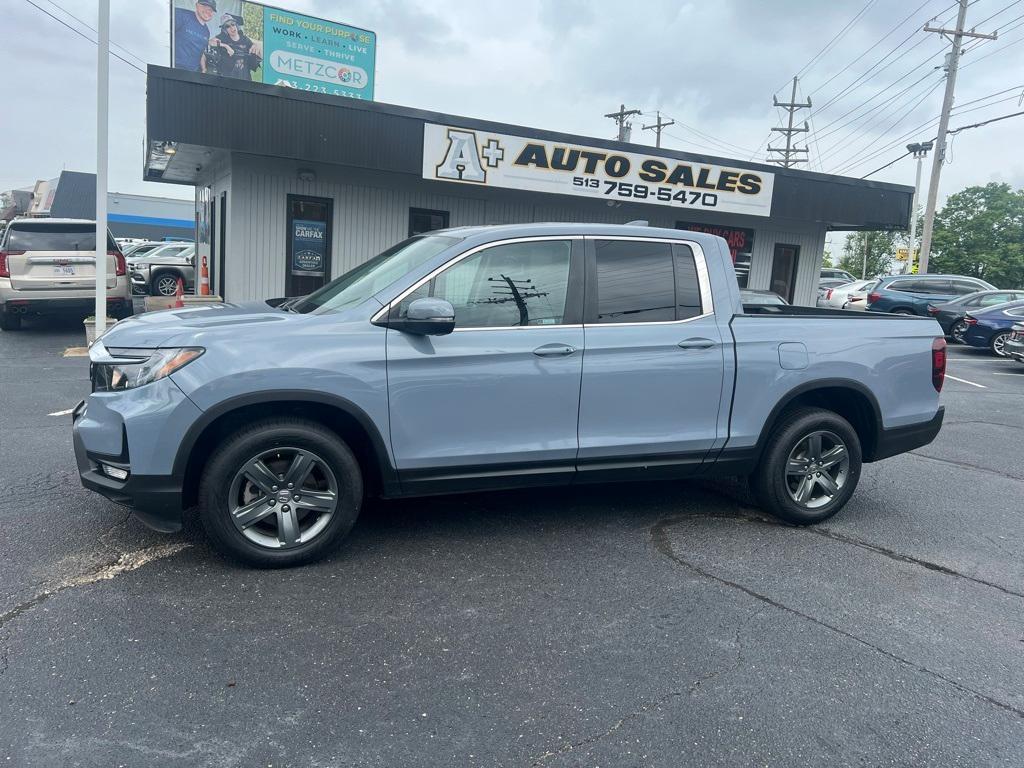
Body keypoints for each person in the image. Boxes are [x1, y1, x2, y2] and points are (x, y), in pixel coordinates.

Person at [206, 13, 263, 80]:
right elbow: (209, 42)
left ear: (236, 25)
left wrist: (256, 46)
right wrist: (226, 46)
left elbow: (260, 52)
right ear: (224, 29)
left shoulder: (245, 40)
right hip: (227, 80)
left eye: (233, 24)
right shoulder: (222, 39)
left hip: (245, 79)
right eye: (227, 26)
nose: (232, 28)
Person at [174, 0, 217, 72]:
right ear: (197, 5)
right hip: (173, 69)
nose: (208, 11)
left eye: (211, 10)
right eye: (204, 6)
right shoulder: (181, 15)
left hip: (192, 73)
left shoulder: (206, 31)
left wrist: (204, 69)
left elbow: (201, 53)